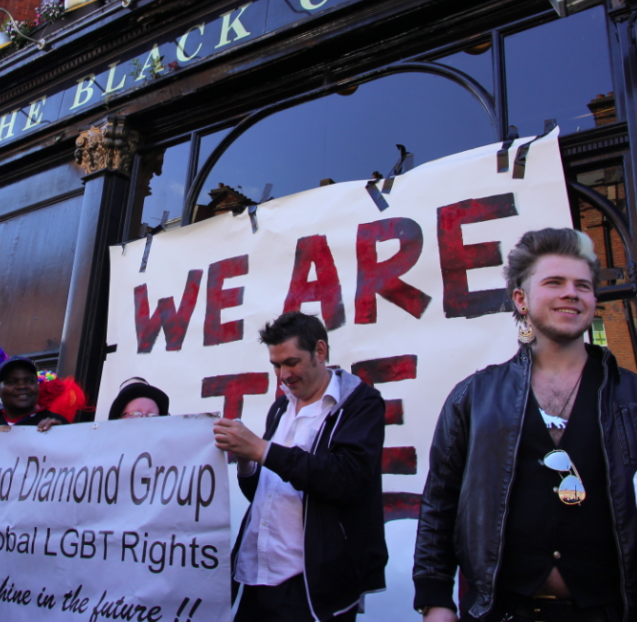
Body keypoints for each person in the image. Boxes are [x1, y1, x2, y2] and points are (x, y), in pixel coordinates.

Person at [414, 228, 637, 622]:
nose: (572, 293)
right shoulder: (474, 397)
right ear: (521, 299)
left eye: (582, 285)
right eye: (555, 282)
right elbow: (440, 503)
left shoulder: (630, 397)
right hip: (503, 612)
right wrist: (435, 600)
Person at [213, 311, 387, 622]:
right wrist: (246, 462)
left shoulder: (361, 404)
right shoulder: (281, 406)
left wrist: (261, 449)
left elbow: (346, 478)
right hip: (256, 575)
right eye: (276, 365)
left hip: (311, 588)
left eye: (291, 362)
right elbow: (265, 493)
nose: (282, 375)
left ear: (320, 351)